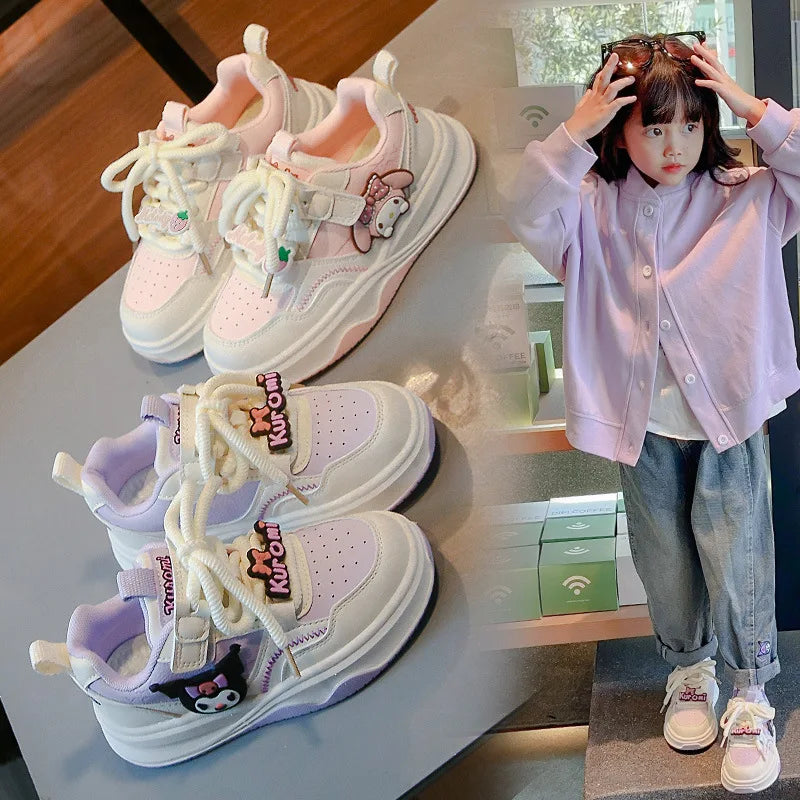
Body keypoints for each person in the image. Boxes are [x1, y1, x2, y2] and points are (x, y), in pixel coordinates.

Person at [505, 31, 800, 794]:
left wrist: (753, 108)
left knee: (737, 560)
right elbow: (521, 207)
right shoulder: (588, 208)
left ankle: (748, 694)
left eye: (692, 124)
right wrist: (574, 131)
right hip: (646, 431)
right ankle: (690, 671)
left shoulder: (748, 194)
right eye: (655, 126)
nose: (676, 146)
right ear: (620, 129)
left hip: (730, 424)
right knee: (664, 561)